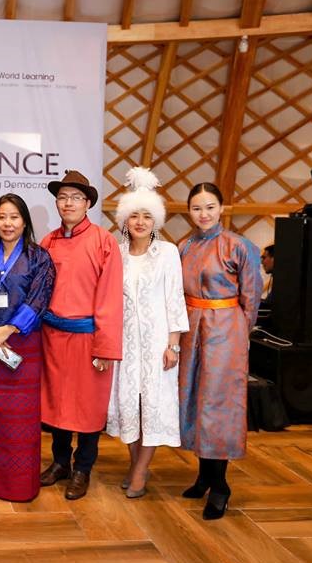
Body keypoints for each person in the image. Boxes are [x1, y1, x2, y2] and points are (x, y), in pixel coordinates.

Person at [178, 182, 262, 520]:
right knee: (195, 397)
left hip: (226, 330)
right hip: (190, 326)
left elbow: (252, 297)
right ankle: (203, 474)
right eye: (197, 208)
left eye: (210, 207)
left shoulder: (239, 246)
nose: (204, 214)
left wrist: (240, 331)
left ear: (222, 208)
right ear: (189, 211)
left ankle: (221, 485)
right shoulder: (183, 246)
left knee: (219, 403)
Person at [38, 169, 122, 501]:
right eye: (62, 197)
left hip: (89, 339)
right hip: (53, 337)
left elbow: (111, 297)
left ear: (87, 203)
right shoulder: (49, 241)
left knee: (88, 407)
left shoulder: (104, 241)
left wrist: (105, 345)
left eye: (75, 197)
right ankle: (60, 462)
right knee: (58, 404)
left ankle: (83, 467)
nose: (67, 203)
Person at [106, 168, 189, 499]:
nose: (140, 222)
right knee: (129, 405)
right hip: (124, 343)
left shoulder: (167, 252)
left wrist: (174, 344)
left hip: (158, 344)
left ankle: (140, 471)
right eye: (133, 216)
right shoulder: (116, 251)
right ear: (124, 220)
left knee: (153, 405)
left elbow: (175, 298)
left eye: (146, 216)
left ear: (156, 219)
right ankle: (134, 463)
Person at [0, 194, 55, 501]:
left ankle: (19, 485)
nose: (7, 223)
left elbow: (40, 296)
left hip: (23, 343)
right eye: (1, 217)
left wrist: (9, 328)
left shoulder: (39, 257)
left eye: (14, 217)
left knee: (21, 418)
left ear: (24, 222)